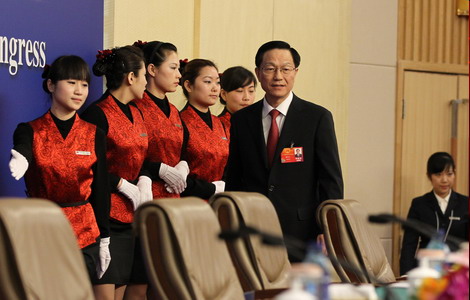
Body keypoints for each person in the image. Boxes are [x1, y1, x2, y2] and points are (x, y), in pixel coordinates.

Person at [225, 41, 344, 261]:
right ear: (258, 73)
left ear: (295, 72)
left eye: (286, 69)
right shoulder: (242, 119)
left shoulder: (317, 117)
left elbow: (331, 180)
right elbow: (234, 176)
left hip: (302, 230)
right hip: (253, 228)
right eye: (270, 69)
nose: (278, 76)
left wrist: (328, 229)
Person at [8, 55, 111, 298]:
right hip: (41, 229)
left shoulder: (94, 133)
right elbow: (23, 146)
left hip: (85, 232)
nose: (79, 91)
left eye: (84, 85)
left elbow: (101, 188)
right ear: (51, 85)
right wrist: (22, 157)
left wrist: (104, 237)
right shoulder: (29, 130)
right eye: (72, 82)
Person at [81, 46, 151, 300]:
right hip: (106, 218)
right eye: (144, 76)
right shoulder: (97, 113)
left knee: (126, 289)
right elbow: (89, 167)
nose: (147, 83)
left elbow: (141, 156)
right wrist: (120, 183)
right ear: (131, 78)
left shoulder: (137, 112)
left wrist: (143, 179)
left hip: (132, 219)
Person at [132, 40, 189, 199]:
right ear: (152, 69)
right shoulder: (136, 107)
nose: (179, 75)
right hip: (145, 196)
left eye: (178, 68)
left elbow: (182, 152)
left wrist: (183, 166)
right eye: (173, 68)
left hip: (173, 195)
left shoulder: (174, 111)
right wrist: (158, 169)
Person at [399, 152, 468, 275]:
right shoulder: (419, 204)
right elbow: (409, 245)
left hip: (457, 272)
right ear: (429, 176)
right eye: (438, 174)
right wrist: (406, 276)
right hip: (425, 271)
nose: (444, 180)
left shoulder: (465, 204)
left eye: (449, 174)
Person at [179, 59, 229, 199]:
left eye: (217, 82)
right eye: (208, 82)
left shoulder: (219, 123)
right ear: (188, 85)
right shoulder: (180, 122)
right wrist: (211, 189)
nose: (215, 88)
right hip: (191, 202)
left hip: (220, 202)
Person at [218, 66, 257, 138]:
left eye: (251, 91)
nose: (246, 98)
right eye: (240, 91)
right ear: (223, 94)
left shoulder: (259, 123)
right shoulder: (217, 126)